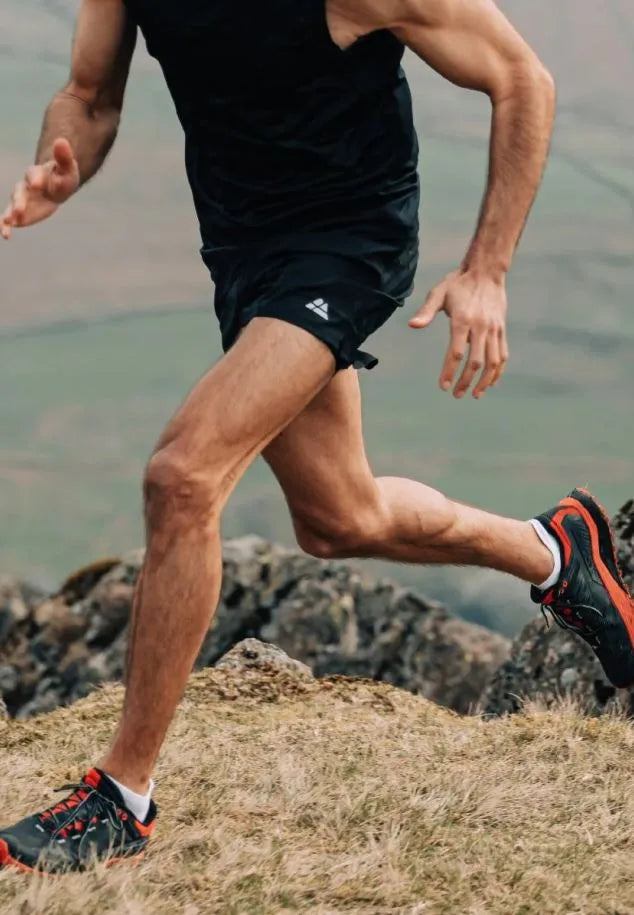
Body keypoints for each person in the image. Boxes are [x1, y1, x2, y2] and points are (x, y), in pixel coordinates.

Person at [0, 0, 632, 874]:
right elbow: (88, 95)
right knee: (340, 516)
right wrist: (57, 163)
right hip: (245, 248)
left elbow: (524, 79)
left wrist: (486, 270)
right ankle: (557, 551)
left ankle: (120, 798)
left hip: (347, 244)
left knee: (182, 476)